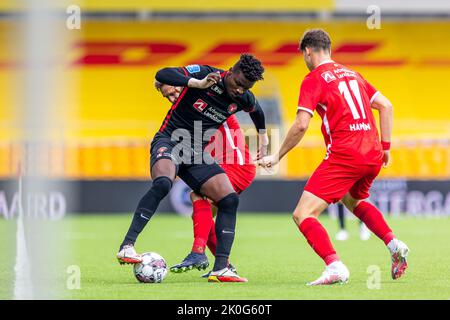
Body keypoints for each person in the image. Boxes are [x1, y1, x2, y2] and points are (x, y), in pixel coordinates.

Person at [258, 29, 409, 285]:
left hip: (346, 154)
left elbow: (301, 125)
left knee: (303, 214)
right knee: (353, 200)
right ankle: (394, 244)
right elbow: (386, 105)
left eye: (303, 55)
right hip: (371, 153)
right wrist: (385, 147)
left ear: (307, 51)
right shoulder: (353, 74)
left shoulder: (313, 79)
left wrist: (278, 155)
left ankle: (334, 265)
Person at [117, 54, 268, 283]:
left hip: (195, 153)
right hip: (169, 140)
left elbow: (257, 111)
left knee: (228, 199)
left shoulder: (243, 97)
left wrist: (263, 137)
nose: (239, 90)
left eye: (245, 87)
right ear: (231, 71)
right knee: (163, 183)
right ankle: (127, 246)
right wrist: (196, 84)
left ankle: (221, 269)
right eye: (238, 83)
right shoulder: (206, 73)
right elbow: (162, 73)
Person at [154, 82, 258, 276]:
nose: (172, 98)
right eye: (167, 96)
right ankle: (223, 266)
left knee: (199, 196)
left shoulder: (206, 101)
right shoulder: (186, 111)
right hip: (221, 164)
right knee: (200, 215)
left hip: (237, 163)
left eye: (174, 92)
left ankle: (198, 252)